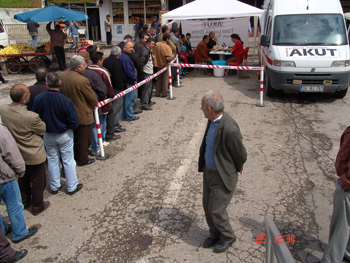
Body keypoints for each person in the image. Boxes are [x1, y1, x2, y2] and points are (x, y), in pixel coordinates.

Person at [199, 90, 247, 254]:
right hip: (209, 172)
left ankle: (228, 237)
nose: (201, 109)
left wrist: (237, 167)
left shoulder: (229, 128)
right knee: (207, 206)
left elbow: (241, 153)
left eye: (202, 106)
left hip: (222, 175)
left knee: (216, 210)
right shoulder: (212, 120)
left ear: (210, 109)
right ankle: (214, 234)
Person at [0, 84, 49, 216]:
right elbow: (42, 129)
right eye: (28, 94)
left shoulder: (3, 109)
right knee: (38, 181)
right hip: (34, 153)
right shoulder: (31, 117)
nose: (30, 95)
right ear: (23, 99)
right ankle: (38, 205)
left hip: (17, 152)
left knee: (23, 179)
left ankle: (25, 201)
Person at [32, 72, 83, 196]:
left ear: (46, 83)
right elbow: (74, 121)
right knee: (68, 160)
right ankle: (71, 186)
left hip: (48, 134)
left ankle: (54, 185)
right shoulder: (65, 100)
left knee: (52, 159)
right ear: (60, 83)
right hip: (64, 134)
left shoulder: (39, 99)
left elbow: (35, 116)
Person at [0, 123, 38, 243]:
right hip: (4, 176)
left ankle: (3, 229)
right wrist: (20, 169)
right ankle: (20, 232)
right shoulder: (1, 131)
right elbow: (11, 152)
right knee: (14, 205)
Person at [319, 126, 350, 263]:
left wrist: (347, 180)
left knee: (341, 225)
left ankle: (331, 260)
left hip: (347, 186)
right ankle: (347, 252)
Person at [60, 55, 98, 166]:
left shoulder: (63, 76)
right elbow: (92, 98)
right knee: (84, 139)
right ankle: (82, 159)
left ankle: (75, 157)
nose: (85, 68)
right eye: (84, 66)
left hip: (67, 113)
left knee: (74, 138)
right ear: (78, 67)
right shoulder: (82, 80)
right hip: (82, 113)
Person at [79, 51, 109, 154]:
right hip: (91, 106)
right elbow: (102, 90)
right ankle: (95, 148)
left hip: (77, 107)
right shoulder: (92, 74)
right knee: (95, 127)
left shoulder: (67, 76)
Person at [88, 51, 120, 142]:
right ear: (99, 61)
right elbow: (108, 86)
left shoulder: (87, 70)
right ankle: (102, 140)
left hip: (92, 99)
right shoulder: (102, 71)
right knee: (103, 120)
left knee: (95, 122)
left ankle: (96, 141)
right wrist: (110, 97)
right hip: (103, 100)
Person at [103, 46, 127, 135]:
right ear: (119, 54)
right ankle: (115, 125)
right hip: (116, 88)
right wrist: (122, 87)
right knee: (116, 107)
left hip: (109, 87)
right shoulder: (116, 63)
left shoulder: (105, 61)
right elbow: (119, 77)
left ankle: (113, 124)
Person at [119, 41, 139, 121]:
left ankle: (124, 115)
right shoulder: (125, 58)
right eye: (130, 47)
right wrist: (134, 78)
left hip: (127, 81)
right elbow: (128, 71)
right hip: (129, 82)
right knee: (130, 100)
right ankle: (130, 115)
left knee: (126, 100)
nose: (132, 49)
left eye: (132, 47)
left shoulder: (124, 56)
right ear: (125, 48)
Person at [152, 33, 174, 97]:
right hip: (164, 64)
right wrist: (168, 59)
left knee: (158, 79)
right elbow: (170, 57)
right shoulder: (167, 47)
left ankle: (157, 92)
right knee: (165, 79)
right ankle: (164, 93)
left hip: (157, 64)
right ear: (167, 39)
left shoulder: (156, 44)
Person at [138, 37, 155, 110]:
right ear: (148, 43)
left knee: (149, 88)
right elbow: (141, 62)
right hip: (146, 73)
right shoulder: (145, 52)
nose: (153, 45)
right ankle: (144, 104)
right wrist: (142, 72)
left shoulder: (147, 50)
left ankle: (148, 101)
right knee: (146, 89)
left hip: (148, 72)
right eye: (152, 44)